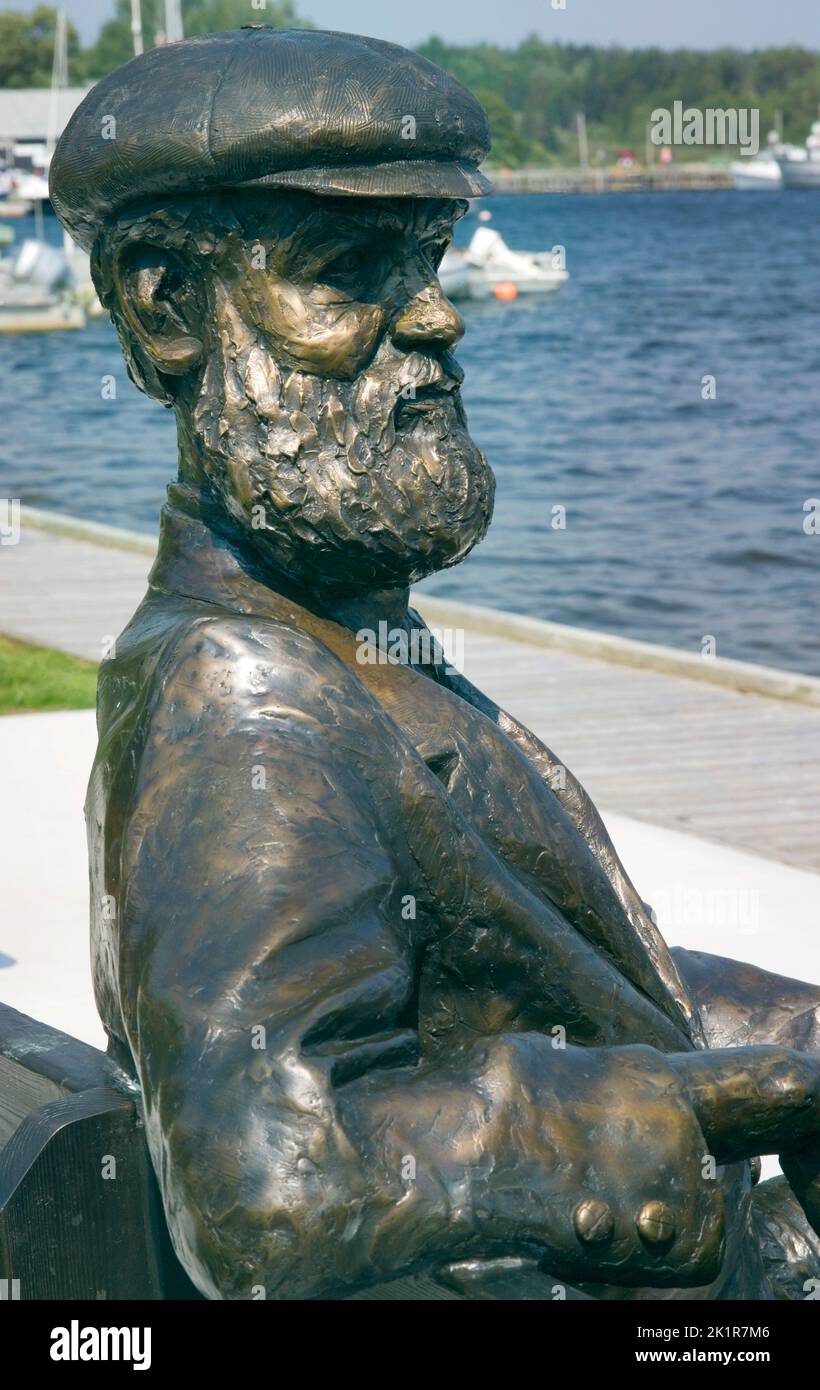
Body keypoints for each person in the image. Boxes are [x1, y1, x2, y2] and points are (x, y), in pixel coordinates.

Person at [50, 27, 819, 1300]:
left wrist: (789, 1042)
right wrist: (639, 1114)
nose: (436, 316)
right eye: (348, 274)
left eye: (428, 260)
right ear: (165, 304)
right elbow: (271, 1189)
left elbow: (541, 974)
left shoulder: (339, 646)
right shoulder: (243, 703)